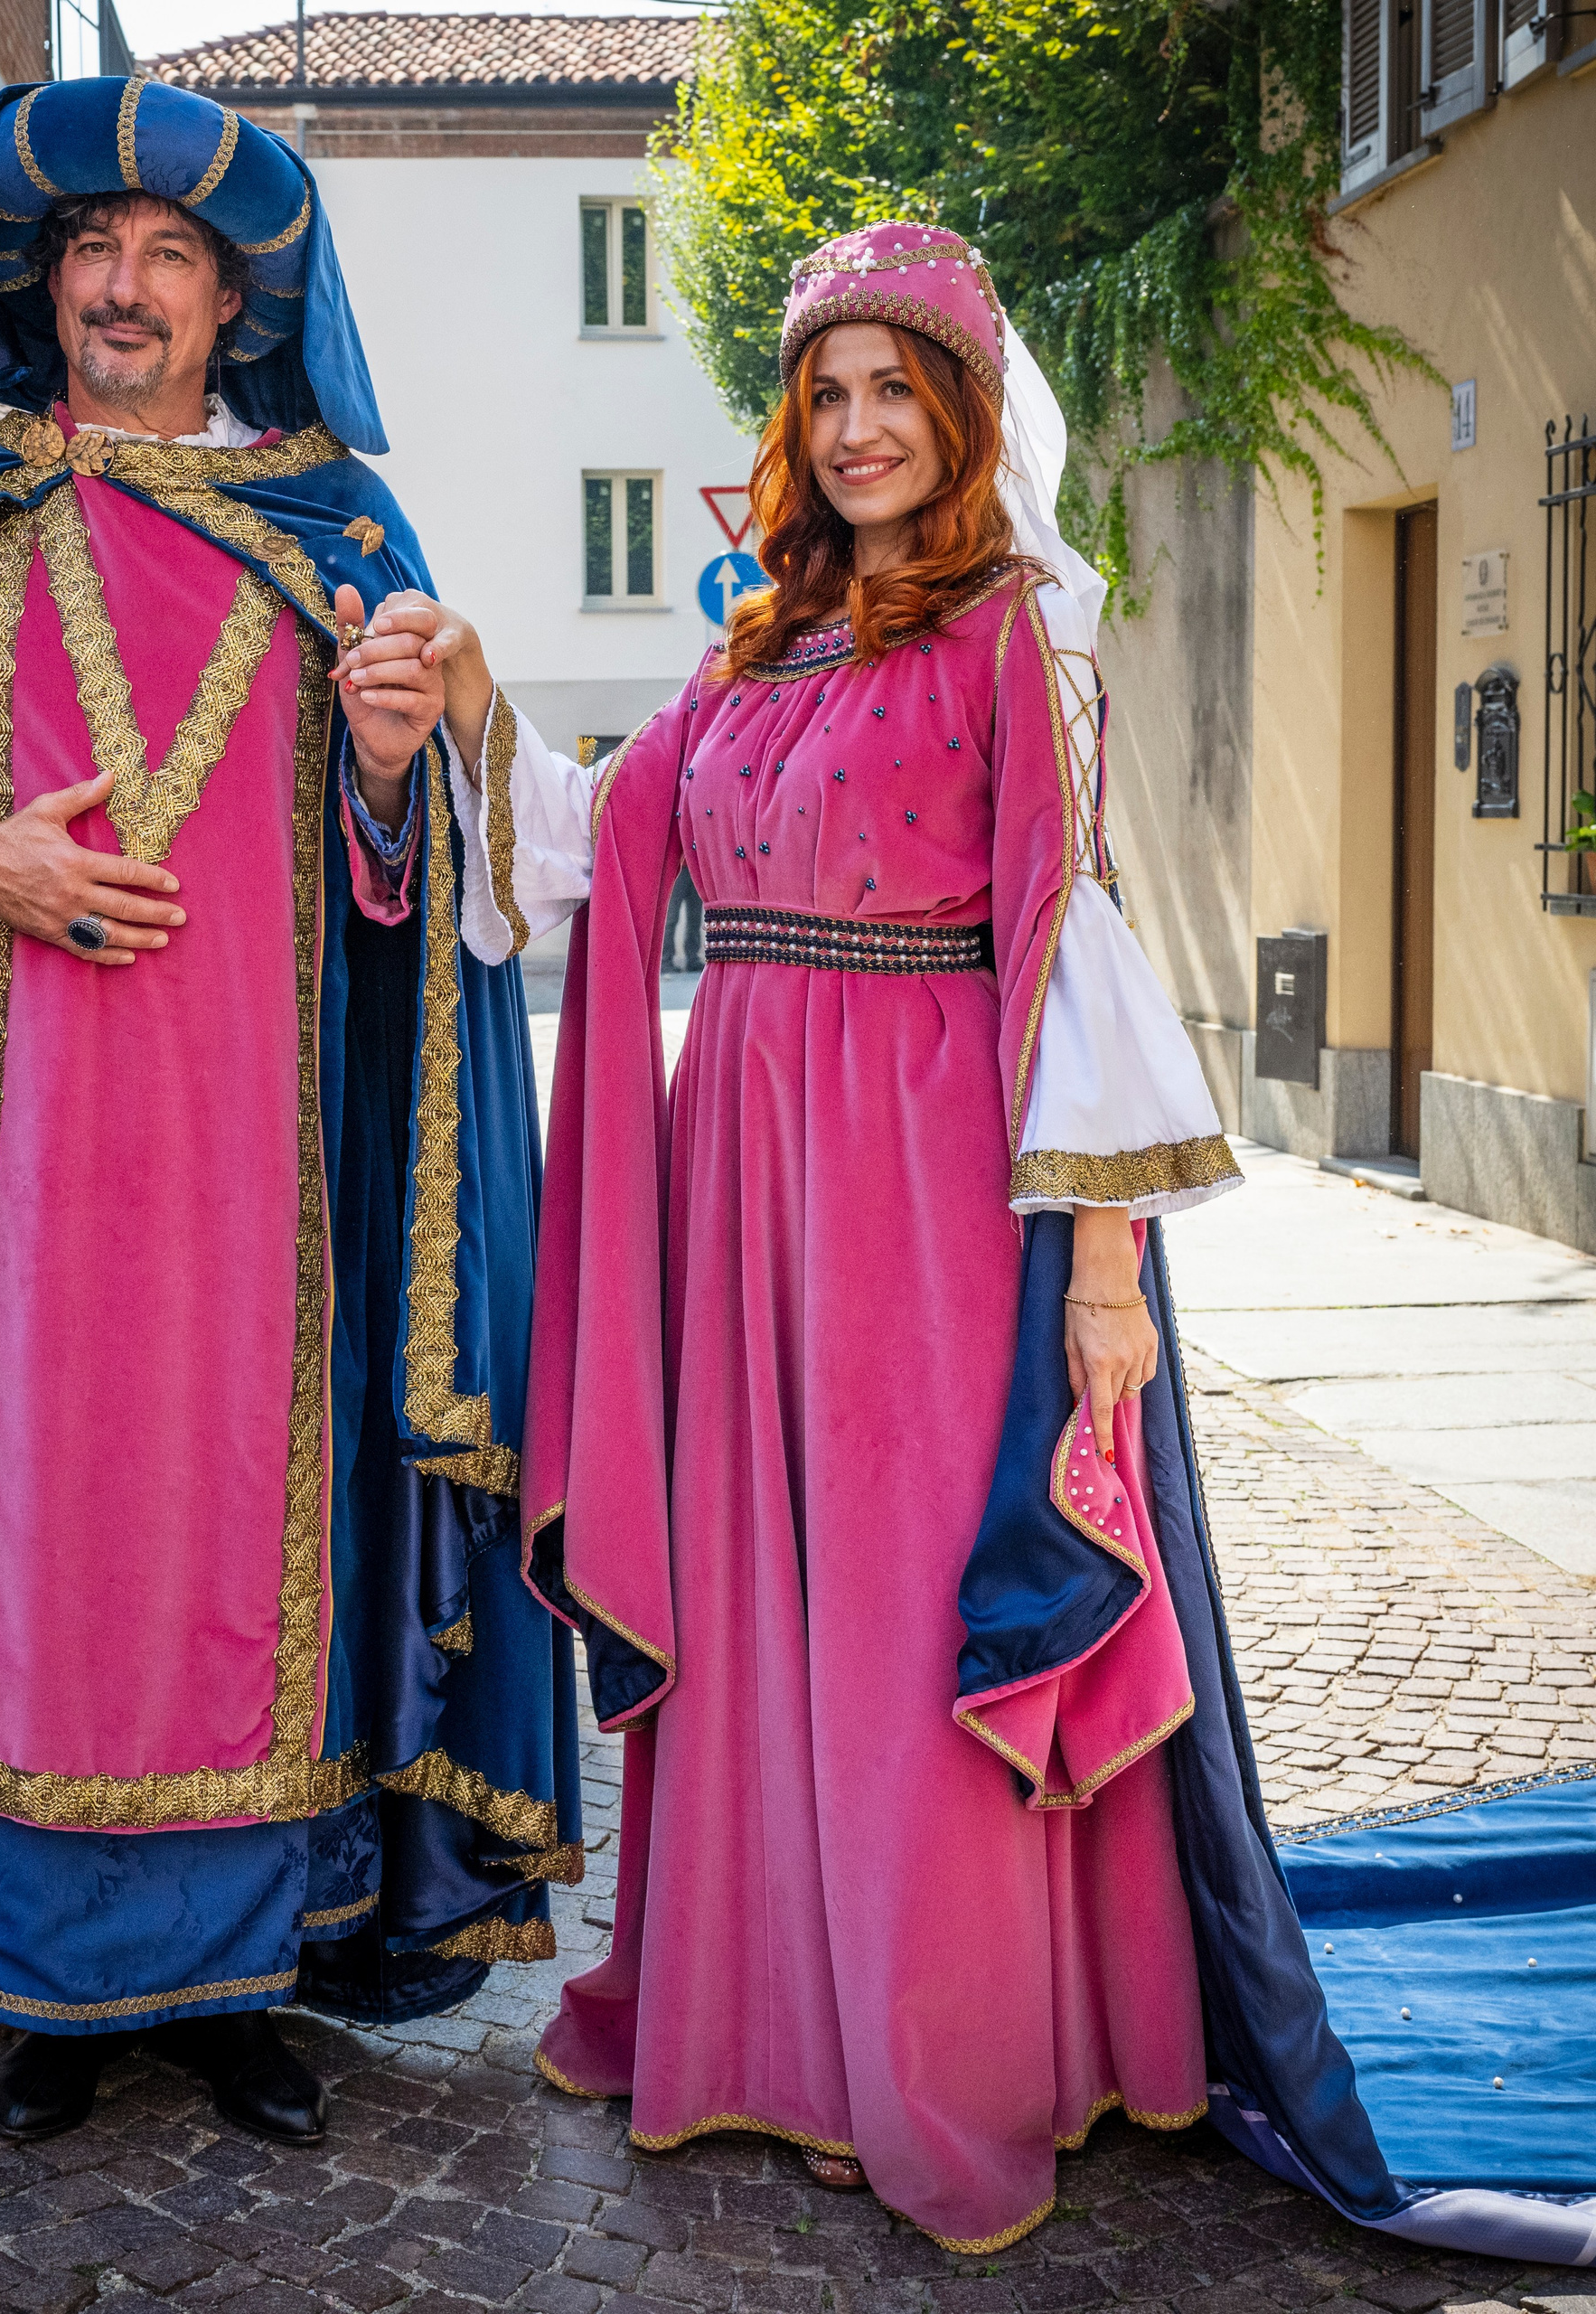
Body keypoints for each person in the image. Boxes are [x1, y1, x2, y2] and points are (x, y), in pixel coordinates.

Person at [367, 221, 1596, 2265]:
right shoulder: (755, 645)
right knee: (764, 1591)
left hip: (929, 1194)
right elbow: (594, 847)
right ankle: (754, 2015)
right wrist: (474, 696)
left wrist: (1101, 1265)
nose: (852, 431)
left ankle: (937, 2044)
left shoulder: (1019, 627)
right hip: (739, 1181)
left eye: (890, 392)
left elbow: (1071, 932)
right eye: (822, 394)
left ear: (953, 413)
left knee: (897, 1593)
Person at [0, 77, 578, 2152]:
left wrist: (389, 761)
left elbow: (417, 905)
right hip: (7, 1185)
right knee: (38, 1559)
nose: (127, 287)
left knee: (242, 1565)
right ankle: (41, 1988)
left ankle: (242, 1982)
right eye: (94, 249)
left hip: (268, 1196)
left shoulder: (344, 536)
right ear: (37, 280)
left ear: (236, 301)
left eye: (174, 255)